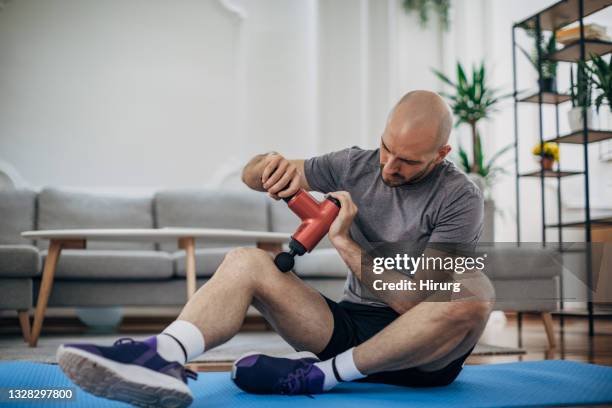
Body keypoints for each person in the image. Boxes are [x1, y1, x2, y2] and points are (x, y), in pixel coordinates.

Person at [57, 90, 494, 408]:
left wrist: (342, 240)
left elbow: (413, 302)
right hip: (347, 327)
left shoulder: (460, 197)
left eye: (408, 161)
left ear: (440, 154)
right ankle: (162, 354)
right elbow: (251, 174)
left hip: (423, 353)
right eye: (386, 149)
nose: (389, 167)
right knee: (245, 261)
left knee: (475, 294)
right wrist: (270, 165)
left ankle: (319, 378)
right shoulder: (354, 164)